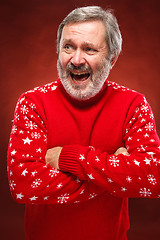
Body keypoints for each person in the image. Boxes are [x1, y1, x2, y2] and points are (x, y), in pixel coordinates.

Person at [7, 6, 160, 240]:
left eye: (89, 49)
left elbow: (153, 176)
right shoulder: (32, 103)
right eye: (68, 46)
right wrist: (115, 174)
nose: (76, 60)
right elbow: (22, 184)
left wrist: (67, 158)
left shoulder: (134, 104)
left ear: (112, 58)